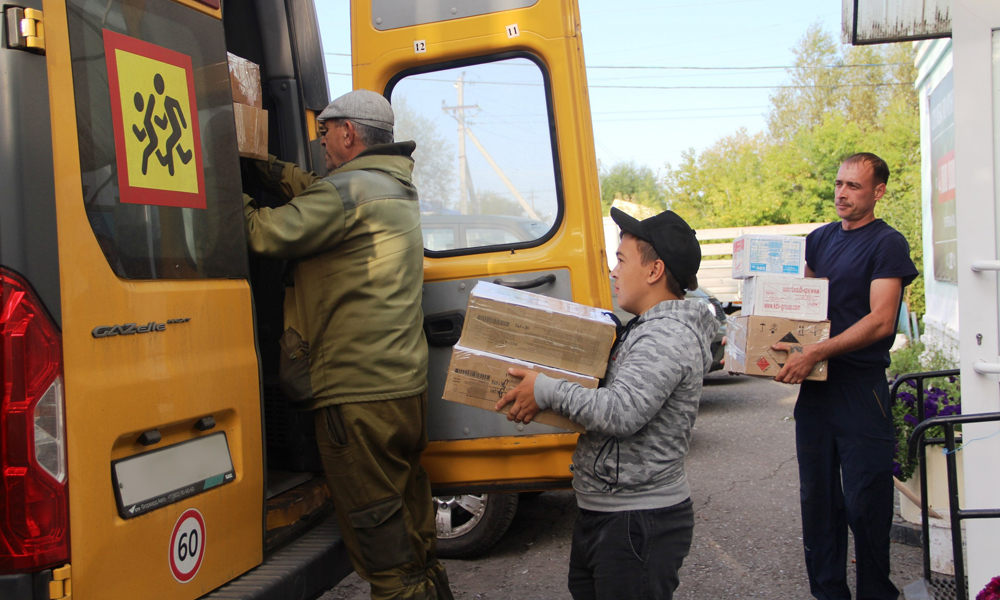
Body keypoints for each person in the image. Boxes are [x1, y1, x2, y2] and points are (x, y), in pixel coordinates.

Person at [242, 89, 452, 600]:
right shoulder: (390, 185)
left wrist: (218, 182)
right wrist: (263, 165)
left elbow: (264, 233)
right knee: (413, 539)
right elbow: (318, 189)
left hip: (356, 398)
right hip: (402, 390)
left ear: (348, 133)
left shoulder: (348, 194)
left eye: (325, 134)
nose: (322, 146)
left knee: (384, 554)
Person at [496, 208, 719, 600]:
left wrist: (545, 389)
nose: (613, 272)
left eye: (621, 260)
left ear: (654, 271)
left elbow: (620, 411)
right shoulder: (648, 327)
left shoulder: (666, 336)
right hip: (608, 510)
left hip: (637, 520)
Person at [773, 152, 918, 600]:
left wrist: (814, 350)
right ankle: (828, 593)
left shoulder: (886, 244)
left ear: (878, 192)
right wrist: (772, 343)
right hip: (817, 390)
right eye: (838, 184)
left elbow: (880, 322)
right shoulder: (817, 240)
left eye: (854, 186)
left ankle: (876, 594)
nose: (842, 193)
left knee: (866, 503)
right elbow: (801, 308)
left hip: (860, 389)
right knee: (817, 501)